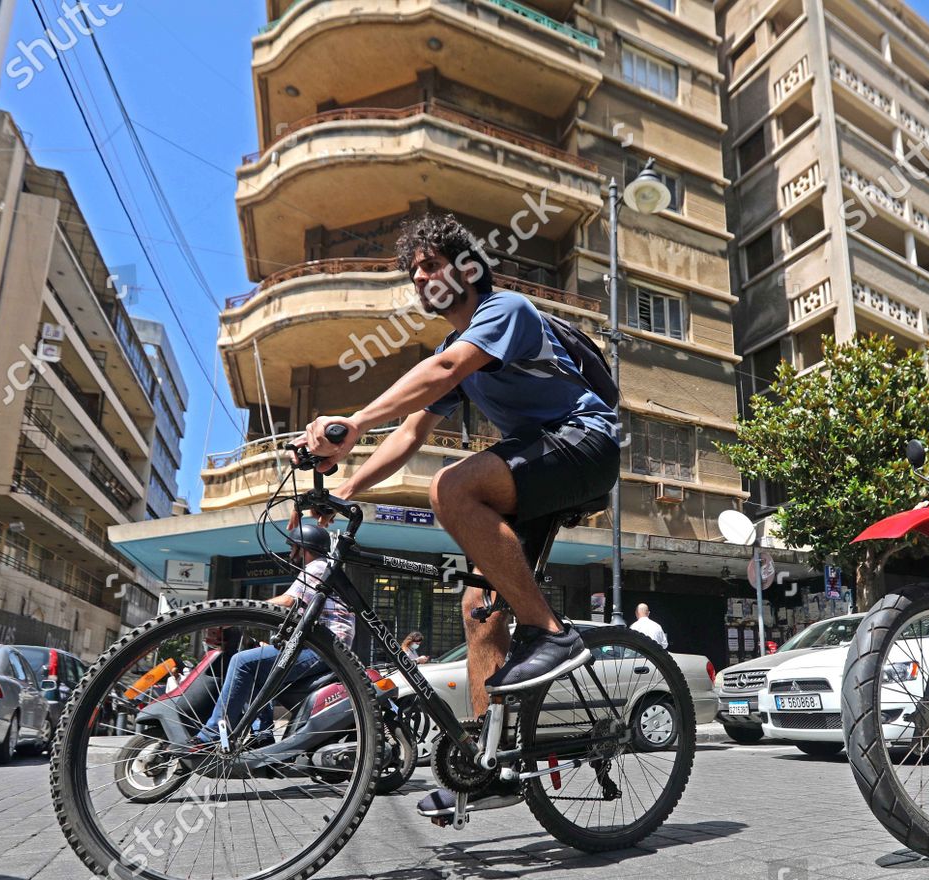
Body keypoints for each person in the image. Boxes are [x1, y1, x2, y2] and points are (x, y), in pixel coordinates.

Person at [296, 213, 621, 821]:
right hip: (536, 466)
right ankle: (494, 764)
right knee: (477, 611)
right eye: (414, 272)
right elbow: (413, 430)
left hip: (584, 444)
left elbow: (442, 374)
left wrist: (353, 422)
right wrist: (344, 487)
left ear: (467, 268)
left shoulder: (507, 312)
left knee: (452, 488)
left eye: (433, 264)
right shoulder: (453, 347)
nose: (422, 278)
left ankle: (555, 635)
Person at [194, 525, 356, 749]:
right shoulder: (324, 568)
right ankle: (262, 738)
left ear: (303, 548)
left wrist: (233, 616)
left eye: (293, 547)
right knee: (255, 669)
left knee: (241, 662)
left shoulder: (317, 567)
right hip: (321, 645)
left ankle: (210, 735)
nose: (290, 554)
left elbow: (288, 602)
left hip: (322, 648)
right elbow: (298, 612)